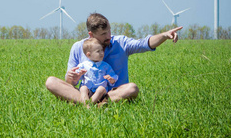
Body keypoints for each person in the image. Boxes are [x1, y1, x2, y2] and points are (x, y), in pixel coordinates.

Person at [45, 12, 182, 104]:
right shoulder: (77, 47)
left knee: (132, 89)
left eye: (109, 30)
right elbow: (70, 83)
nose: (109, 36)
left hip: (113, 93)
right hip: (85, 91)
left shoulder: (121, 43)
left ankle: (94, 103)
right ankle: (88, 103)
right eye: (104, 33)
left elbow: (144, 43)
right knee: (51, 82)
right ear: (91, 35)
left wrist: (164, 35)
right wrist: (72, 78)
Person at [77, 38, 118, 106]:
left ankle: (88, 106)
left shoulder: (105, 66)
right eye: (98, 51)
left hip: (101, 93)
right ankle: (87, 104)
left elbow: (113, 76)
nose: (102, 53)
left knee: (101, 89)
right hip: (88, 92)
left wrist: (112, 80)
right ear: (88, 55)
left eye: (102, 50)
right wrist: (79, 74)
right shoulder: (83, 65)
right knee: (83, 88)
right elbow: (77, 77)